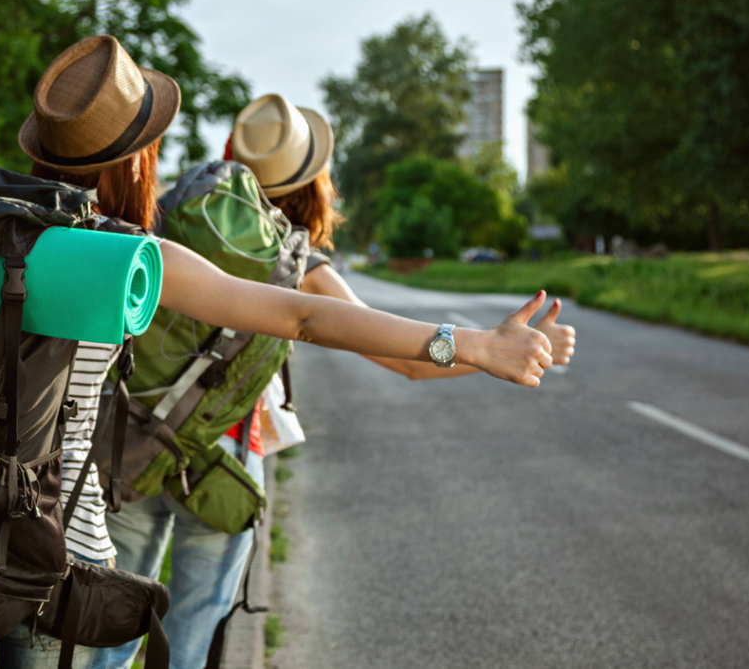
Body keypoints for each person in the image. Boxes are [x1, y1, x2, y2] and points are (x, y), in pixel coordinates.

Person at [0, 36, 554, 668]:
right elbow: (304, 317)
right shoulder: (128, 253)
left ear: (39, 145)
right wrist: (476, 344)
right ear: (139, 155)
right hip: (52, 545)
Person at [100, 93, 577, 669]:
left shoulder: (160, 216)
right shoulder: (300, 265)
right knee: (194, 624)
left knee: (114, 622)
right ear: (311, 184)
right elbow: (408, 360)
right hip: (223, 456)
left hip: (132, 440)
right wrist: (491, 351)